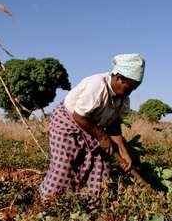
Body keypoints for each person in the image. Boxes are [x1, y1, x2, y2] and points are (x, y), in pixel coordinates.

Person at [39, 53, 145, 203]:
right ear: (119, 78)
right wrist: (102, 137)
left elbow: (114, 124)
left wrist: (123, 151)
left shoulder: (123, 98)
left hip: (91, 126)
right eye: (130, 87)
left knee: (100, 164)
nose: (131, 91)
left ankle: (91, 204)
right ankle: (51, 202)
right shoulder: (97, 86)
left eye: (135, 88)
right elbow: (79, 116)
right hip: (68, 122)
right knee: (66, 164)